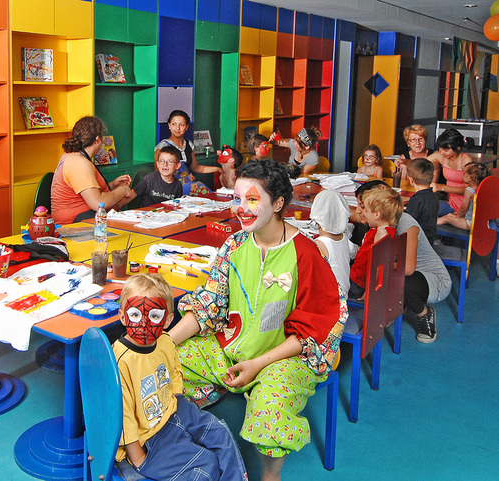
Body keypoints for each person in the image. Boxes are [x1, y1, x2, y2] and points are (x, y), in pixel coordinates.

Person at [169, 159, 346, 481]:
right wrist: (164, 345)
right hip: (230, 346)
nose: (241, 208)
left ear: (278, 204)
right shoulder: (234, 245)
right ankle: (187, 443)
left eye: (252, 199)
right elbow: (209, 304)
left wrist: (257, 364)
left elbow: (314, 328)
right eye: (237, 198)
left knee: (269, 410)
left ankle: (269, 476)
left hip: (285, 357)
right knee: (165, 367)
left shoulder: (306, 254)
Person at [113, 274, 247, 481]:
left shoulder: (165, 341)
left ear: (167, 320)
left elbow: (174, 369)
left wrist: (177, 397)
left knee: (220, 432)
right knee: (206, 466)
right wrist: (138, 457)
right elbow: (122, 414)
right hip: (147, 436)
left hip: (174, 408)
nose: (145, 323)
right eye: (136, 315)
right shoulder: (121, 361)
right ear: (123, 317)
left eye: (154, 316)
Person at [356, 184, 451, 344]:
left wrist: (375, 264)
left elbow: (408, 268)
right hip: (402, 272)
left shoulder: (406, 223)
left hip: (432, 279)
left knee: (398, 282)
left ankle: (424, 314)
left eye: (363, 206)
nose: (360, 211)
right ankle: (397, 303)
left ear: (377, 210)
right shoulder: (381, 219)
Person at [51, 116, 134, 224]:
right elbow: (97, 203)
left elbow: (87, 191)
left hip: (80, 218)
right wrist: (123, 190)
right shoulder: (79, 163)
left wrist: (112, 185)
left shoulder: (72, 155)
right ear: (97, 139)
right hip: (74, 223)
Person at [348, 186, 402, 299]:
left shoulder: (381, 233)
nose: (364, 213)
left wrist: (370, 291)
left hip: (358, 283)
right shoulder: (384, 229)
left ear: (377, 215)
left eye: (367, 210)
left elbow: (378, 266)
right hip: (358, 278)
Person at [154, 110, 222, 195]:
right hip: (172, 188)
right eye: (174, 124)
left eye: (182, 125)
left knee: (200, 188)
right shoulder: (162, 147)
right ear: (169, 126)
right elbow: (159, 174)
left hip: (189, 184)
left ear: (187, 127)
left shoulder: (189, 144)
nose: (177, 128)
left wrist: (217, 169)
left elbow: (196, 168)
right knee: (199, 187)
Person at [311, 189, 357, 296]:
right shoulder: (343, 238)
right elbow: (355, 251)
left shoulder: (319, 244)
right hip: (344, 295)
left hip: (330, 298)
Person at [428, 128, 474, 216]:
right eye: (440, 148)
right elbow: (419, 163)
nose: (442, 152)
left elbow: (469, 190)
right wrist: (403, 162)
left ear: (457, 148)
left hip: (466, 206)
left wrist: (442, 187)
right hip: (451, 202)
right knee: (424, 206)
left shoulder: (466, 161)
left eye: (445, 150)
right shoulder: (440, 156)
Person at [437, 162, 493, 231]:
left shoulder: (469, 191)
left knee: (447, 218)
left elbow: (464, 208)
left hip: (470, 223)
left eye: (464, 174)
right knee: (451, 215)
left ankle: (432, 223)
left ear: (469, 178)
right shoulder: (484, 189)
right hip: (483, 223)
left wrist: (457, 216)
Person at [405, 158, 439, 245]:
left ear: (411, 179)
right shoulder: (433, 196)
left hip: (418, 242)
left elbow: (407, 221)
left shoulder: (417, 199)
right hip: (429, 238)